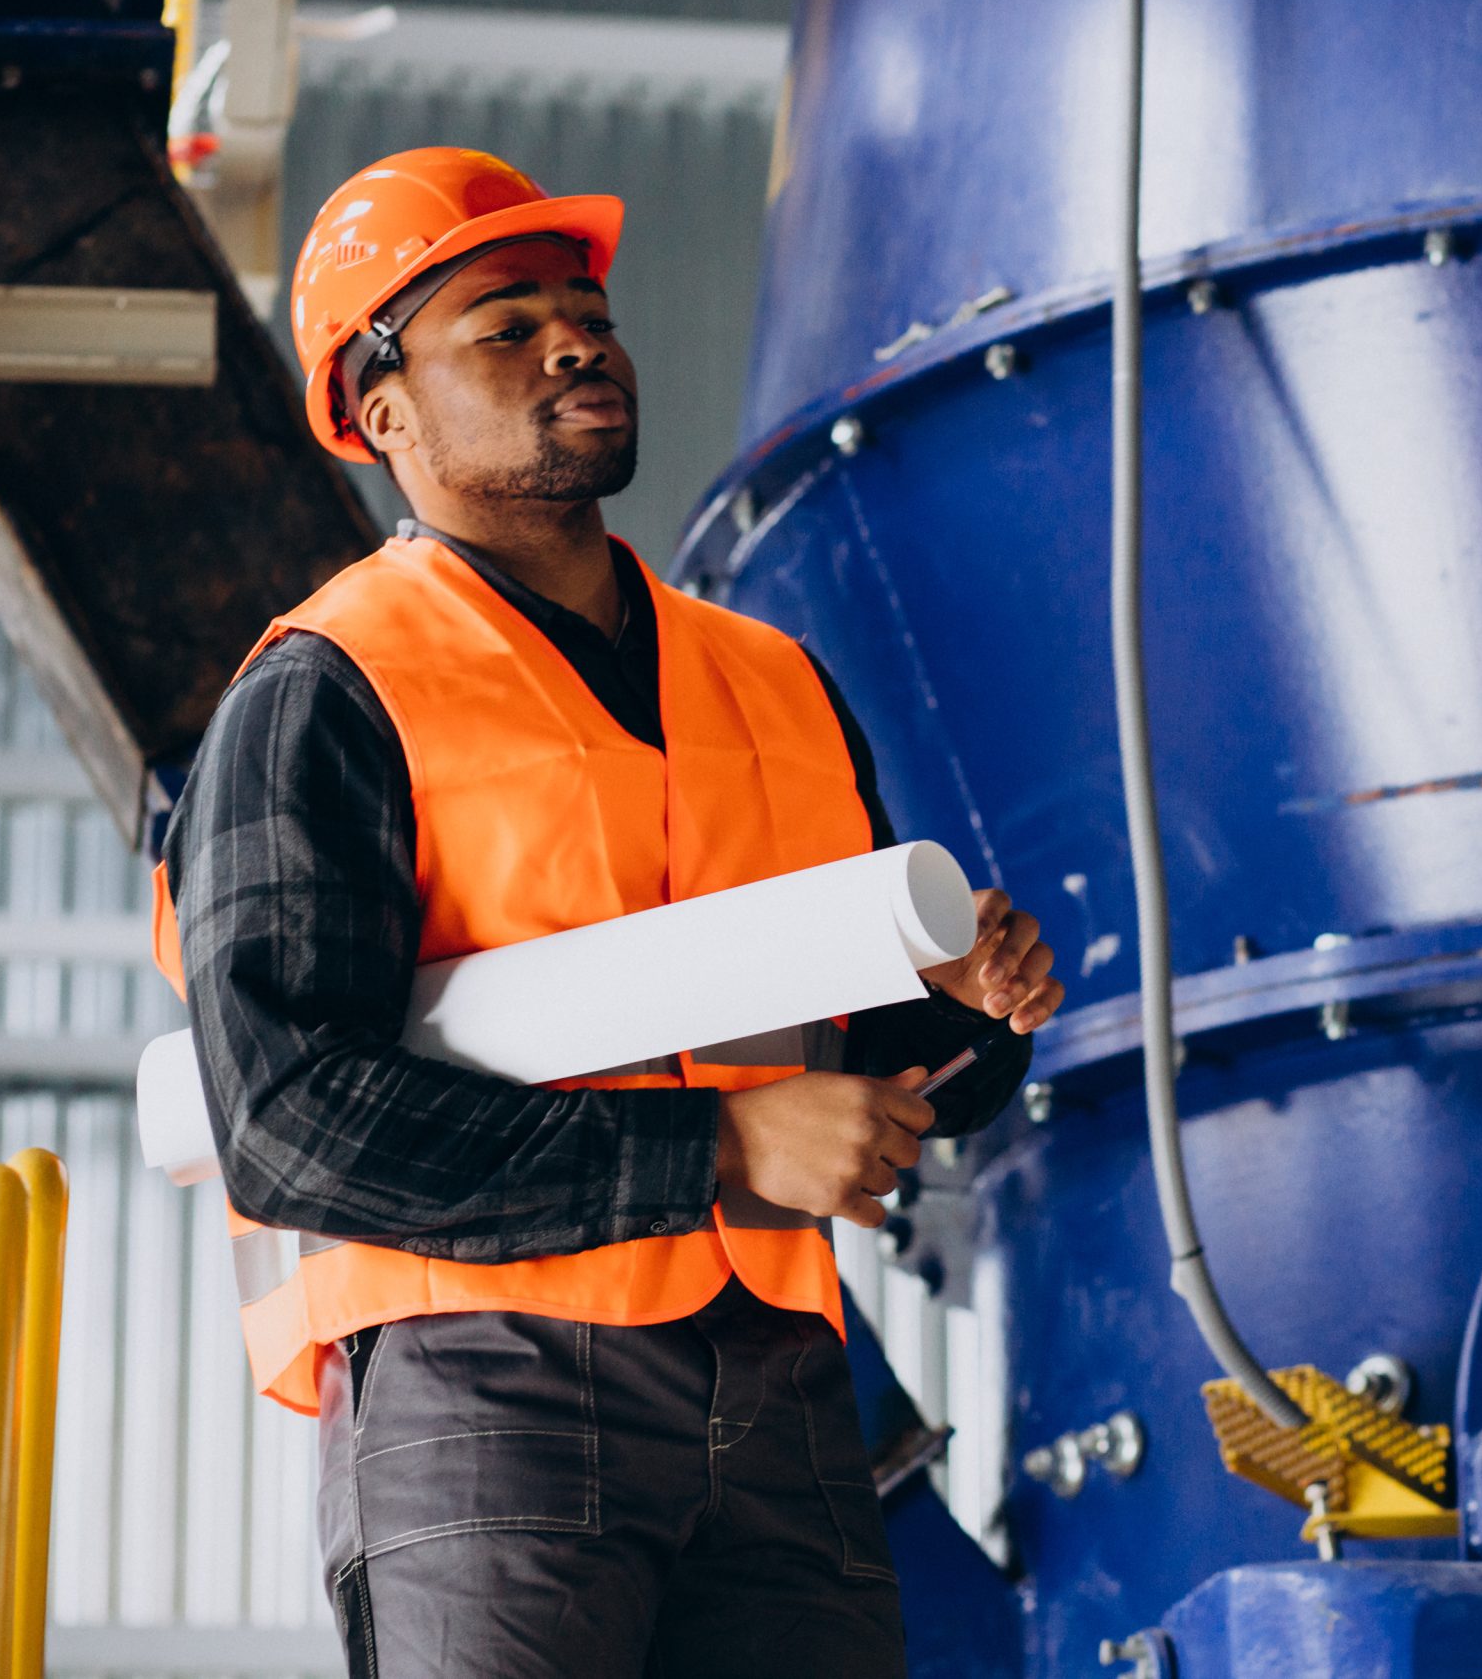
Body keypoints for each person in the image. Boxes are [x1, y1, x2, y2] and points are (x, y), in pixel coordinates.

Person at [150, 147, 1064, 1678]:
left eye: (586, 313)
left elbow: (866, 1054)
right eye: (505, 325)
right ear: (384, 414)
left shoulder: (770, 682)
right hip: (484, 1392)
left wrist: (970, 1015)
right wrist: (720, 1148)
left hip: (779, 1397)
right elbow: (292, 1118)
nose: (576, 341)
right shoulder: (325, 690)